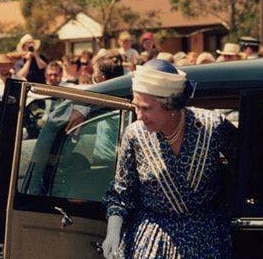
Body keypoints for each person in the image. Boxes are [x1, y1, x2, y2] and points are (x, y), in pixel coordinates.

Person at [102, 59, 238, 258]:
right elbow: (121, 195)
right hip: (151, 242)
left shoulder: (212, 127)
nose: (139, 115)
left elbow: (248, 170)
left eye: (146, 108)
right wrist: (112, 233)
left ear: (170, 104)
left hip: (205, 241)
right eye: (136, 106)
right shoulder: (134, 136)